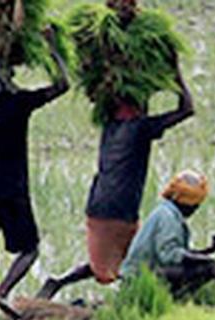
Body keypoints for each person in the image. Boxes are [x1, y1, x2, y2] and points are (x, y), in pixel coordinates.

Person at [38, 59, 194, 300]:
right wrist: (175, 72)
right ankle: (131, 300)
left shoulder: (110, 125)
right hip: (118, 207)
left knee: (118, 257)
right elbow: (187, 109)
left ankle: (60, 282)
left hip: (102, 201)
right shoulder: (140, 128)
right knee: (129, 260)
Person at [0, 25, 69, 320]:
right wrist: (52, 47)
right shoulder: (18, 103)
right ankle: (2, 291)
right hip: (13, 191)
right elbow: (62, 84)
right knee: (29, 251)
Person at [119, 170, 215, 298]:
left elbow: (180, 254)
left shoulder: (167, 212)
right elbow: (170, 255)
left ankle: (170, 300)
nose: (196, 208)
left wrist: (211, 250)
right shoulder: (168, 217)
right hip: (139, 279)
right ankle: (171, 299)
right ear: (185, 202)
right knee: (205, 269)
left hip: (147, 273)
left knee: (202, 264)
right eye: (195, 204)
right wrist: (209, 262)